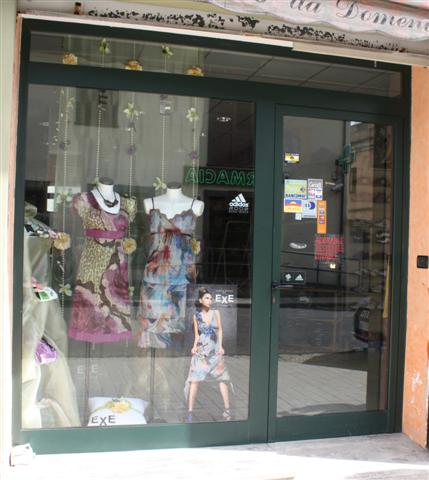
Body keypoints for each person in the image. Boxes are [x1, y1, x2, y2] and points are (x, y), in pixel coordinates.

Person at [184, 287, 232, 422]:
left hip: (214, 349)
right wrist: (194, 347)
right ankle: (190, 411)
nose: (210, 300)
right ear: (200, 300)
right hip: (201, 350)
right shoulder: (196, 316)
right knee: (194, 380)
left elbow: (220, 330)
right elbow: (197, 334)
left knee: (222, 378)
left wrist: (220, 346)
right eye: (206, 298)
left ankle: (227, 409)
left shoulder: (216, 313)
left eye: (211, 298)